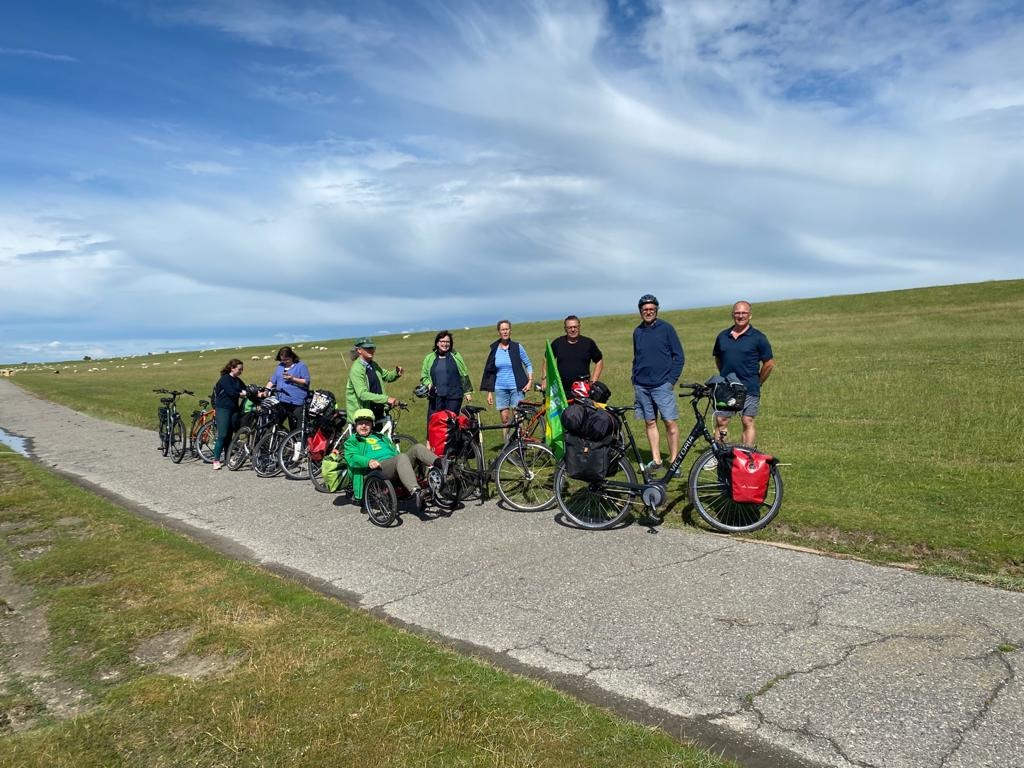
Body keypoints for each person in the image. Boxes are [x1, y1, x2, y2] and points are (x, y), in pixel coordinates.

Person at [344, 408, 441, 512]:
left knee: (417, 448)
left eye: (367, 423)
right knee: (401, 457)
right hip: (376, 469)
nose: (364, 426)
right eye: (360, 423)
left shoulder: (380, 436)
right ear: (355, 425)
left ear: (372, 424)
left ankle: (442, 464)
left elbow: (394, 451)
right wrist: (368, 461)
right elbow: (352, 457)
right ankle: (416, 492)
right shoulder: (352, 441)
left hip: (393, 463)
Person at [632, 294, 684, 471]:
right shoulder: (637, 332)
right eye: (645, 309)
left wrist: (671, 381)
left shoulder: (667, 329)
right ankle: (656, 460)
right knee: (650, 422)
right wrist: (634, 377)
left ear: (657, 310)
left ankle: (674, 461)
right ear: (640, 311)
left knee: (670, 422)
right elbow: (637, 356)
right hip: (641, 385)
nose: (648, 312)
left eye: (651, 309)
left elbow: (679, 356)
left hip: (662, 385)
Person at [713, 300, 775, 447]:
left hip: (750, 386)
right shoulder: (722, 336)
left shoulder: (758, 337)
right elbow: (718, 359)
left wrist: (758, 382)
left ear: (750, 315)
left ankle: (747, 454)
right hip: (727, 387)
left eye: (744, 313)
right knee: (721, 421)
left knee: (747, 421)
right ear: (732, 315)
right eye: (737, 313)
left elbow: (769, 364)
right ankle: (719, 454)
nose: (740, 316)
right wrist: (726, 376)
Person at [480, 319, 533, 434]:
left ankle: (520, 442)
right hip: (500, 388)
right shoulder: (494, 349)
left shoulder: (517, 347)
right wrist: (489, 392)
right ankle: (507, 443)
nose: (505, 332)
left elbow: (528, 364)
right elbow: (490, 371)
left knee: (518, 417)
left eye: (507, 329)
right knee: (505, 419)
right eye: (502, 329)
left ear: (510, 331)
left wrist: (530, 381)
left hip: (516, 387)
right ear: (499, 332)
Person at [420, 330, 473, 422]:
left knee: (451, 423)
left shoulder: (456, 356)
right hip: (435, 397)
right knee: (434, 422)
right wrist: (429, 384)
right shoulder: (429, 358)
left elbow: (464, 374)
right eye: (442, 341)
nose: (445, 344)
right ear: (437, 343)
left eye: (447, 342)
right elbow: (424, 376)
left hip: (454, 396)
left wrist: (467, 392)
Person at [345, 337, 402, 421]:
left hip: (376, 411)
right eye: (367, 348)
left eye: (372, 348)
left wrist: (396, 373)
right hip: (362, 416)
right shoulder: (357, 369)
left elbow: (386, 376)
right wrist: (386, 399)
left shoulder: (372, 364)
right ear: (359, 350)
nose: (371, 350)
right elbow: (362, 394)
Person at [550, 315, 604, 395]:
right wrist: (545, 379)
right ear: (565, 329)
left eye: (575, 327)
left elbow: (599, 361)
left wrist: (593, 382)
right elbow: (547, 359)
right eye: (569, 327)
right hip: (561, 390)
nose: (573, 330)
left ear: (579, 327)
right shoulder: (557, 343)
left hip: (583, 389)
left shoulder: (588, 343)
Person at [211, 358, 247, 470]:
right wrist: (241, 394)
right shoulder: (225, 379)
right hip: (223, 409)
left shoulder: (237, 380)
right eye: (239, 369)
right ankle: (216, 460)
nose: (241, 371)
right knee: (223, 435)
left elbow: (246, 389)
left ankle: (228, 457)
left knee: (230, 435)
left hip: (234, 409)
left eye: (242, 369)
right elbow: (231, 393)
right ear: (232, 368)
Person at [265, 345, 310, 431]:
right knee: (275, 423)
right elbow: (273, 379)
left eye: (287, 359)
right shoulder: (280, 366)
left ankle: (295, 438)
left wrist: (293, 379)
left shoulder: (301, 366)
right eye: (282, 360)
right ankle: (282, 437)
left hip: (297, 402)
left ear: (292, 356)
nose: (285, 361)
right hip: (282, 401)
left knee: (295, 427)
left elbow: (306, 381)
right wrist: (266, 389)